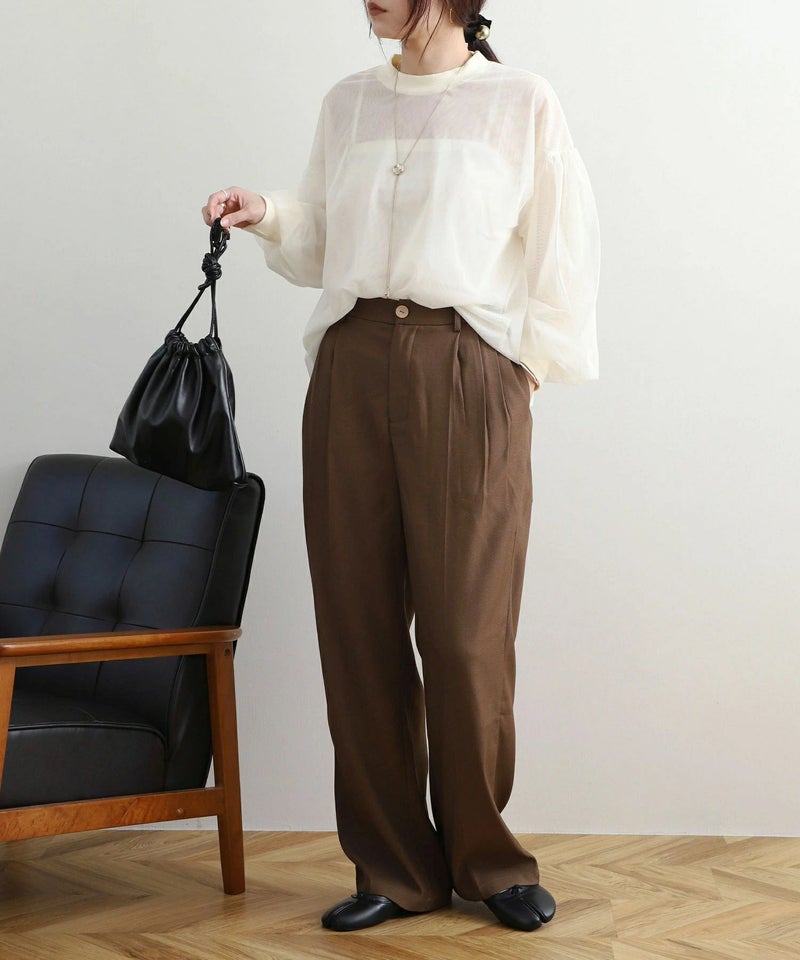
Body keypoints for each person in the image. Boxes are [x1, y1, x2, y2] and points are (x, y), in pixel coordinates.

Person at [201, 0, 600, 935]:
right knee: (359, 626)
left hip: (468, 367)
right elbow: (325, 240)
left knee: (466, 635)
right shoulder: (348, 102)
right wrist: (269, 214)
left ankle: (486, 859)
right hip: (351, 364)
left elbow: (565, 249)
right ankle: (392, 865)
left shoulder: (519, 100)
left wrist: (522, 374)